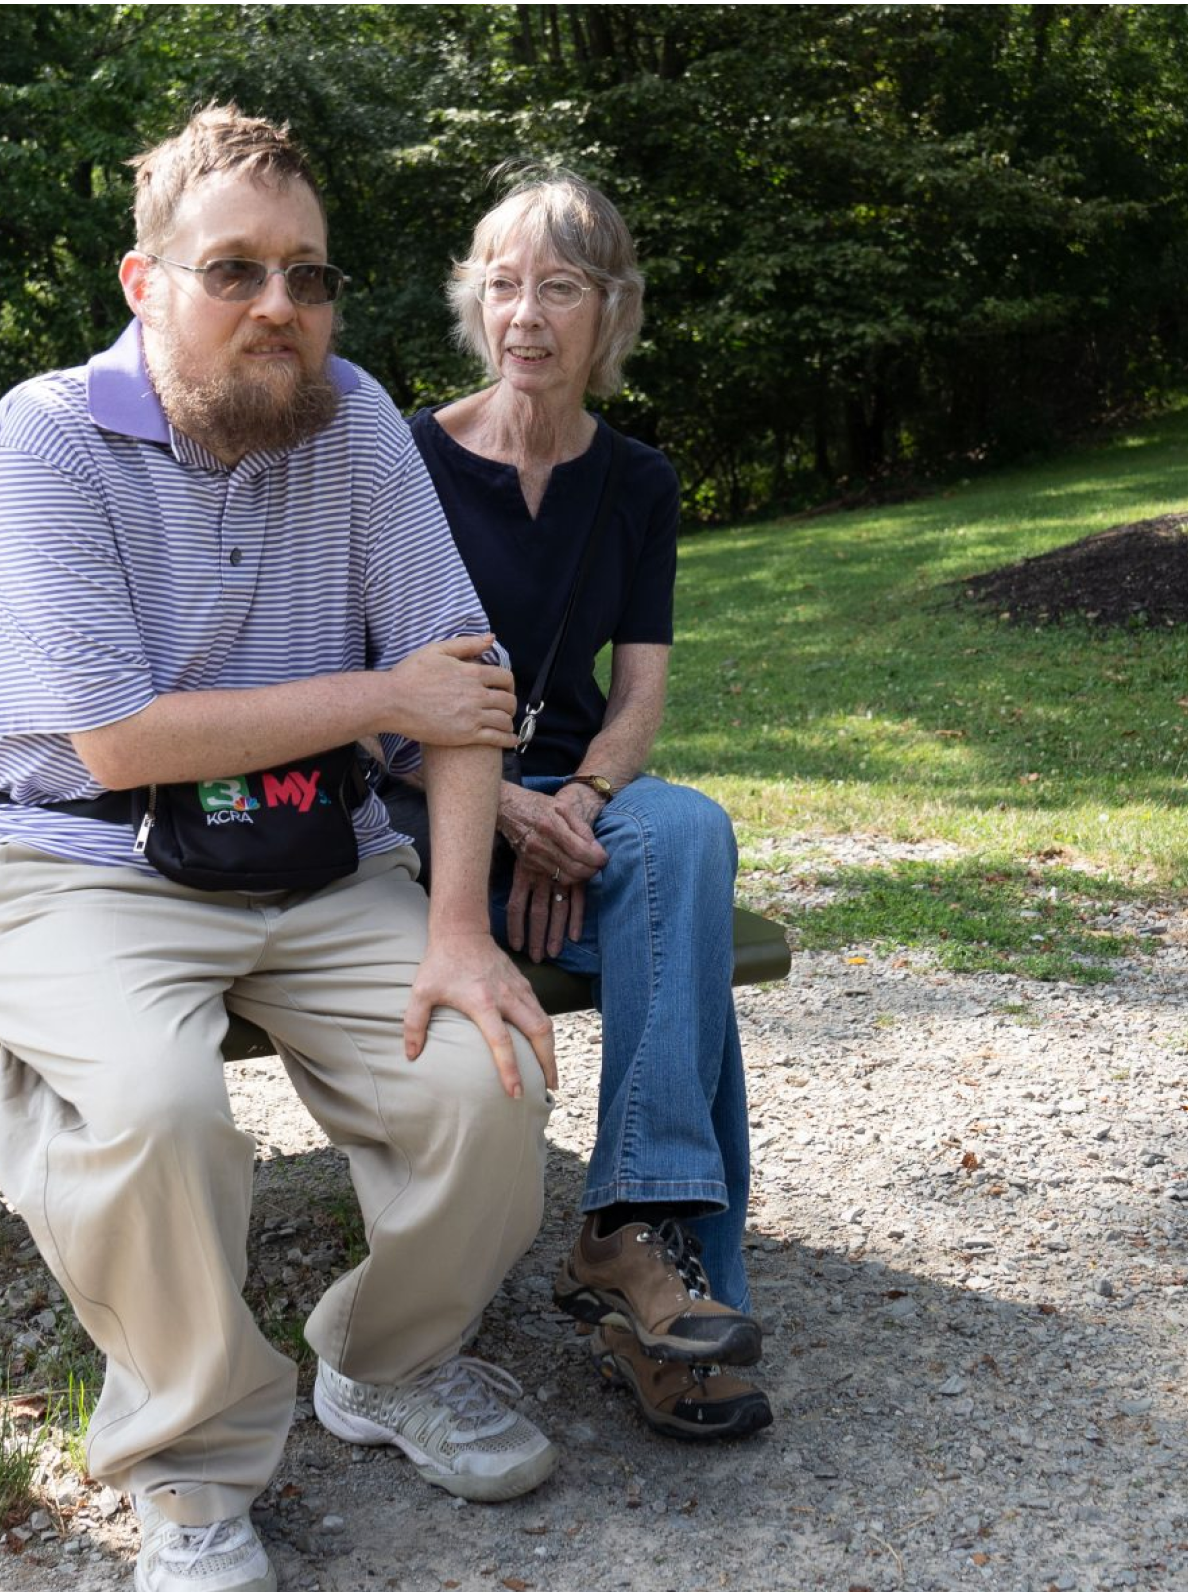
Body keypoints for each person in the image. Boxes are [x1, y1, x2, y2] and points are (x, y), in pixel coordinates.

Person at [0, 106, 563, 1594]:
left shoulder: (351, 422)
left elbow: (459, 692)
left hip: (312, 855)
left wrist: (462, 931)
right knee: (157, 1113)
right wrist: (379, 700)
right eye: (234, 271)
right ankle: (194, 1467)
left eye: (310, 273)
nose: (281, 305)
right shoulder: (44, 439)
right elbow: (121, 743)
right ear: (145, 283)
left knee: (488, 1074)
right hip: (67, 864)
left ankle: (382, 1364)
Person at [403, 172, 770, 1442]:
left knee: (687, 833)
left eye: (558, 287)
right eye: (502, 285)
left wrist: (585, 800)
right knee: (690, 955)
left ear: (608, 314)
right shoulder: (404, 462)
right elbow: (367, 696)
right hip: (427, 811)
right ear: (473, 304)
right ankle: (674, 1304)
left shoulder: (640, 482)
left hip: (577, 806)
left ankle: (629, 1232)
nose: (525, 316)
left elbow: (638, 697)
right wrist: (507, 808)